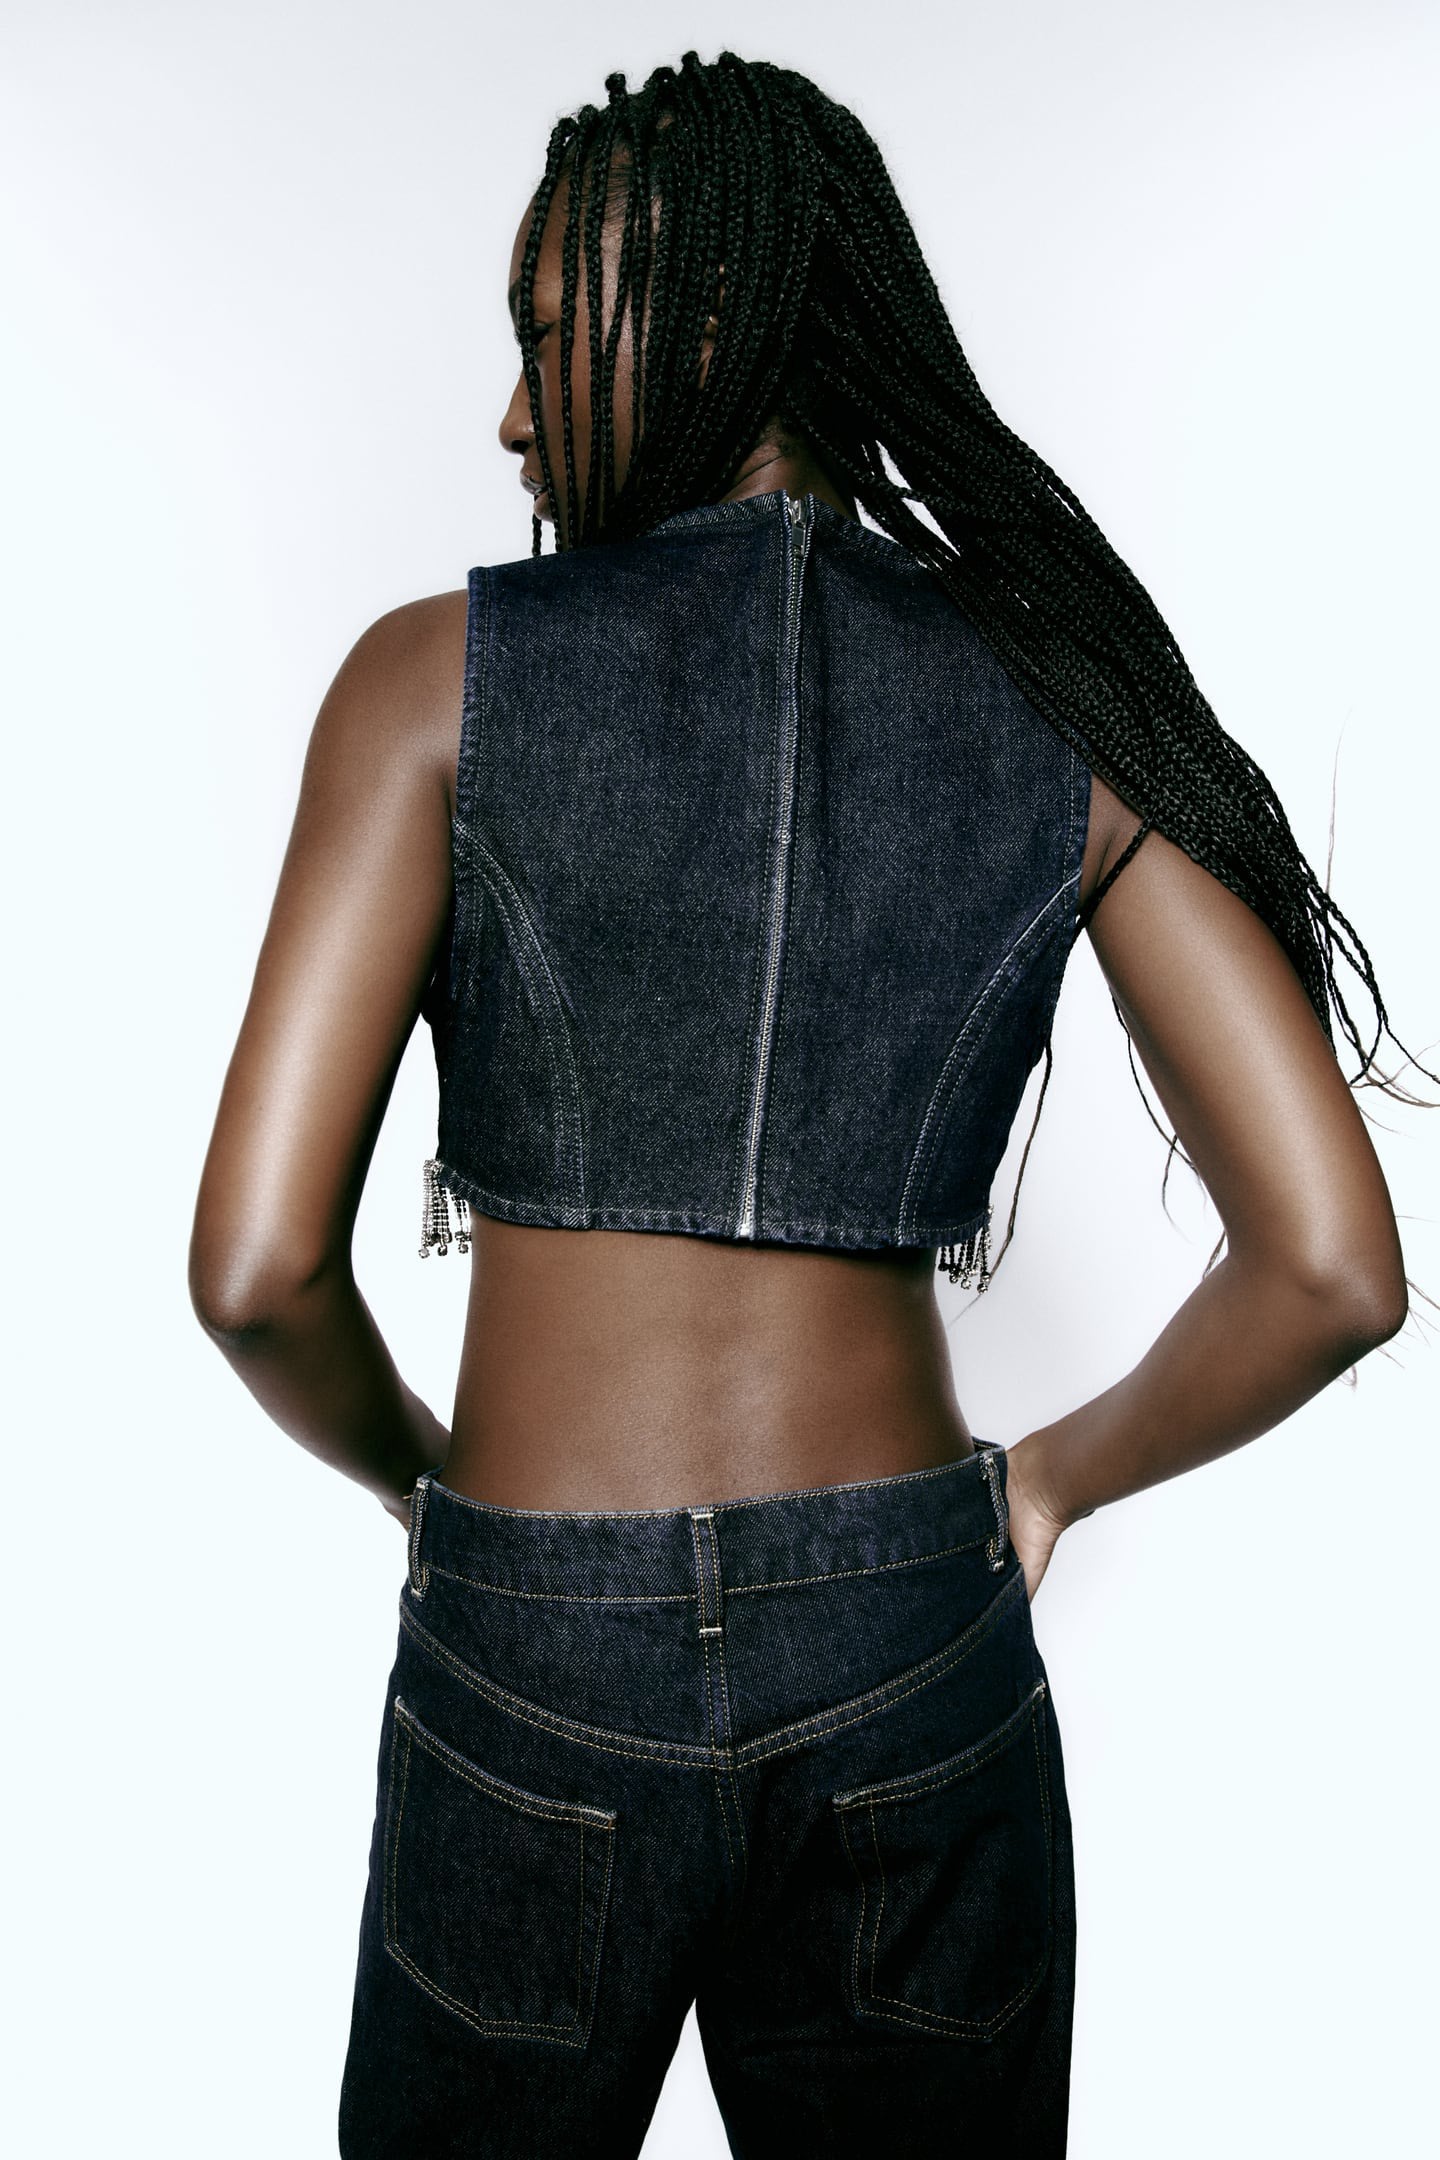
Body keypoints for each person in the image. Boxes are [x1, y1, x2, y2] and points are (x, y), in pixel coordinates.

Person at [189, 49, 1422, 2160]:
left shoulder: (428, 685)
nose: (509, 418)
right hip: (911, 1636)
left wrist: (436, 1497)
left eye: (542, 339)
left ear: (691, 332)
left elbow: (253, 1272)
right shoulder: (1055, 695)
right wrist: (1041, 1488)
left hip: (534, 1632)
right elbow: (1331, 1269)